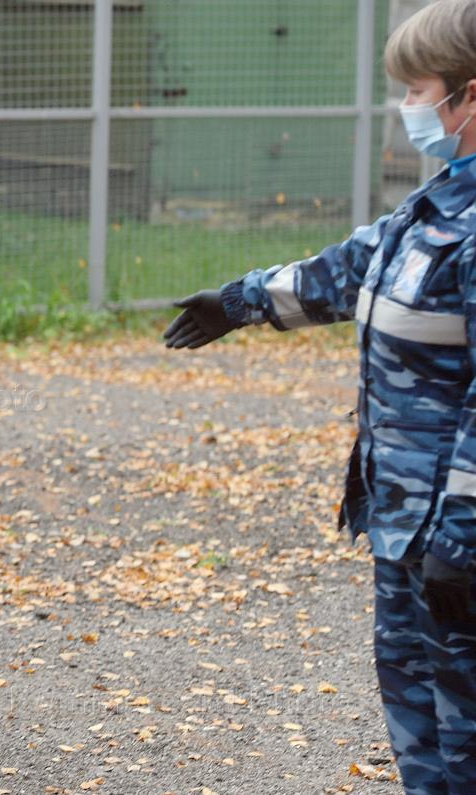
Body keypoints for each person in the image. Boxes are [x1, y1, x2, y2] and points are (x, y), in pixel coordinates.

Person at [164, 1, 476, 791]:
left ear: (470, 97)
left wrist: (464, 535)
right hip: (405, 527)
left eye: (420, 89)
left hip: (455, 543)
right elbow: (347, 270)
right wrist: (235, 302)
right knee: (424, 734)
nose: (409, 107)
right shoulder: (437, 206)